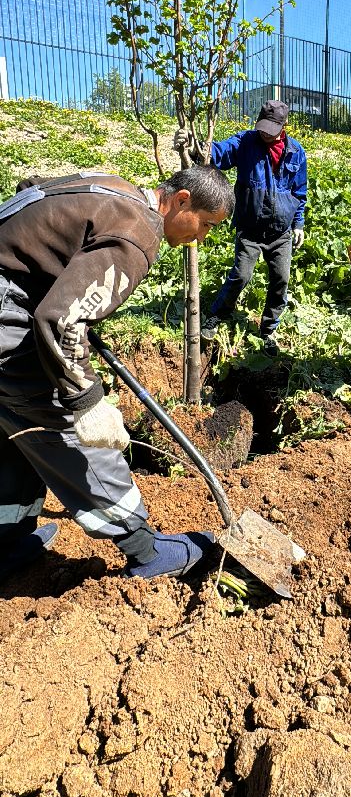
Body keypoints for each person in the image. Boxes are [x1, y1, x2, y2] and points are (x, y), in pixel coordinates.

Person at [0, 166, 235, 584]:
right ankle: (146, 550)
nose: (201, 238)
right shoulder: (138, 232)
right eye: (206, 225)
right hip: (7, 324)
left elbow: (30, 190)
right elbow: (59, 320)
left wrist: (58, 282)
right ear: (181, 201)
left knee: (14, 431)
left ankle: (5, 541)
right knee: (62, 426)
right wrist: (87, 402)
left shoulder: (116, 188)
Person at [174, 100, 307, 356]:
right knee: (241, 276)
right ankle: (216, 316)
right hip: (250, 228)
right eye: (263, 126)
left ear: (284, 126)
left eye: (272, 128)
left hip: (281, 232)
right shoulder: (246, 142)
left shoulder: (296, 153)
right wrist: (192, 145)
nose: (266, 132)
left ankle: (268, 330)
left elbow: (299, 192)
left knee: (281, 280)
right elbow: (216, 154)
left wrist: (298, 223)